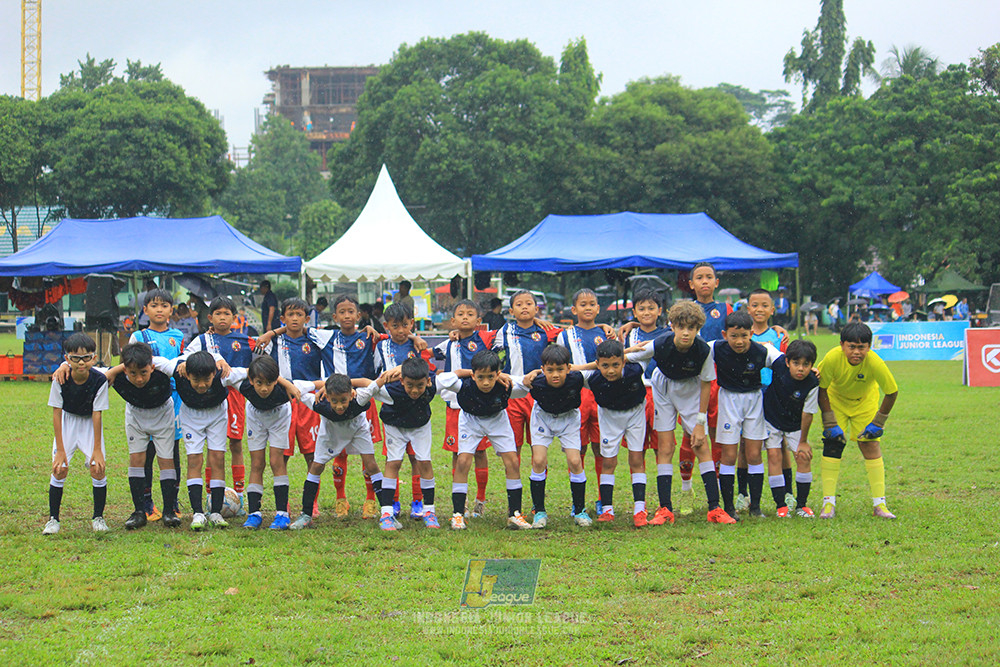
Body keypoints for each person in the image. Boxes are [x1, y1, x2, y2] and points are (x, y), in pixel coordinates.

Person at [625, 300, 732, 525]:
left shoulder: (703, 350)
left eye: (691, 328)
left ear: (698, 328)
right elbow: (620, 358)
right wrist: (621, 350)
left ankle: (715, 508)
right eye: (681, 327)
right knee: (665, 447)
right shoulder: (660, 343)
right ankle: (665, 509)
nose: (686, 332)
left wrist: (700, 422)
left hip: (691, 390)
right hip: (663, 388)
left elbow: (706, 385)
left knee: (701, 445)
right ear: (671, 326)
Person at [436, 349, 532, 530]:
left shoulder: (508, 385)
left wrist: (529, 377)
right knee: (463, 461)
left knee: (512, 461)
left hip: (497, 420)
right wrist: (463, 372)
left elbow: (527, 382)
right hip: (470, 421)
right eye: (480, 377)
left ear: (498, 374)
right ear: (473, 375)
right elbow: (443, 378)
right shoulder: (462, 385)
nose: (486, 382)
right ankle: (457, 514)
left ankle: (515, 514)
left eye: (491, 376)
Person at [817, 322, 899, 520]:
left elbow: (891, 392)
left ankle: (880, 504)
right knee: (833, 445)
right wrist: (829, 422)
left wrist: (878, 422)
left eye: (861, 347)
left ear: (869, 347)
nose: (856, 352)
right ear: (842, 344)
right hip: (836, 401)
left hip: (865, 403)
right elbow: (821, 389)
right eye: (851, 347)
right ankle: (828, 504)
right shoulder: (832, 358)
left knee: (870, 445)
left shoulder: (875, 362)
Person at [155, 350, 245, 529]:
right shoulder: (177, 370)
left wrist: (287, 384)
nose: (202, 385)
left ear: (214, 373)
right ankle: (197, 513)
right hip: (191, 416)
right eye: (196, 380)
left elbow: (253, 371)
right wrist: (181, 360)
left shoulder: (224, 374)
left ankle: (216, 513)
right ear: (187, 374)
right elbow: (151, 360)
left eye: (207, 379)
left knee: (217, 459)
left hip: (217, 415)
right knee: (194, 460)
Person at [708, 310, 781, 519]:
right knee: (729, 455)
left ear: (751, 333)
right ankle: (729, 507)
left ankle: (755, 507)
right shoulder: (715, 348)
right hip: (728, 400)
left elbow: (788, 363)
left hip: (753, 400)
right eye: (734, 336)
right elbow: (691, 349)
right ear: (724, 334)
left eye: (744, 336)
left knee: (754, 454)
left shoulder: (763, 351)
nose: (739, 341)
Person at [289, 374, 384, 530]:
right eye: (334, 401)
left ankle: (387, 513)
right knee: (316, 467)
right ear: (327, 397)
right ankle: (306, 515)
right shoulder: (318, 403)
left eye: (343, 401)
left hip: (357, 430)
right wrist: (320, 386)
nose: (339, 406)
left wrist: (347, 383)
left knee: (371, 465)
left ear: (352, 395)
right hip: (331, 434)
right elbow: (295, 387)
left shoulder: (360, 398)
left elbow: (373, 382)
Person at [573, 340, 651, 527]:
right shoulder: (591, 378)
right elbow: (568, 371)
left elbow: (651, 348)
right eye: (605, 366)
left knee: (636, 459)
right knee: (608, 460)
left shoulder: (636, 369)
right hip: (609, 417)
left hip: (635, 414)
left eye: (616, 365)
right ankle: (607, 509)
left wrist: (629, 351)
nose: (610, 371)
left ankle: (640, 509)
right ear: (598, 364)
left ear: (624, 362)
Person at [258, 298, 325, 517]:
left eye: (299, 315)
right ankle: (283, 503)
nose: (294, 319)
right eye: (290, 315)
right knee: (281, 454)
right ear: (283, 318)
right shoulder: (274, 342)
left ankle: (311, 503)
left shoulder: (315, 339)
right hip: (283, 402)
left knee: (312, 454)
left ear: (307, 319)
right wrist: (273, 333)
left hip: (309, 403)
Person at [182, 296, 253, 503]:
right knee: (214, 448)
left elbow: (264, 353)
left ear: (235, 317)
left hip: (236, 397)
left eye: (227, 314)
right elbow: (185, 358)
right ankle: (210, 495)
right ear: (210, 317)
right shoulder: (203, 340)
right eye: (218, 314)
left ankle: (239, 496)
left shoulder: (244, 340)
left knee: (236, 444)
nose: (223, 318)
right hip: (210, 396)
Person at [105, 342, 182, 529]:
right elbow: (91, 372)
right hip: (136, 415)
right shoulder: (117, 374)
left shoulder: (161, 366)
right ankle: (139, 511)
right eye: (133, 374)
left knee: (166, 460)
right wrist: (64, 367)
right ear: (125, 370)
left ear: (152, 367)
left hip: (163, 413)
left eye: (143, 373)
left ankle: (169, 511)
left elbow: (182, 363)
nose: (139, 379)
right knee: (137, 459)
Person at [237, 355, 319, 530]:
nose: (264, 388)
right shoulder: (243, 384)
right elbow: (222, 372)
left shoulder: (288, 388)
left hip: (279, 417)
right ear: (251, 380)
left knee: (276, 461)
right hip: (255, 417)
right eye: (259, 383)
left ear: (276, 381)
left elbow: (317, 384)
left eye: (269, 383)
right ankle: (254, 514)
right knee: (257, 462)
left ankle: (282, 513)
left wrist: (326, 389)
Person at [555, 288, 618, 513]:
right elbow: (560, 365)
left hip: (603, 395)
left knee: (601, 448)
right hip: (577, 396)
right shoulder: (566, 336)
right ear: (574, 309)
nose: (588, 308)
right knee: (577, 449)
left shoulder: (607, 335)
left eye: (592, 304)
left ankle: (603, 500)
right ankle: (577, 501)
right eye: (583, 304)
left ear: (598, 308)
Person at [515, 345, 592, 528]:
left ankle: (580, 510)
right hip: (543, 418)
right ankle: (539, 511)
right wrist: (530, 374)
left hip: (569, 419)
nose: (555, 374)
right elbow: (510, 380)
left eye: (560, 369)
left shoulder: (577, 378)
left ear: (568, 368)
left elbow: (598, 367)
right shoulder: (535, 381)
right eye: (550, 370)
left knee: (575, 461)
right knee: (539, 460)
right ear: (543, 370)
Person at [361, 357, 441, 530]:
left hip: (420, 425)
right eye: (409, 385)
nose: (414, 390)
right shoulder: (389, 390)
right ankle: (387, 514)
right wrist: (381, 379)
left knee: (424, 462)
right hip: (394, 425)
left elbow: (452, 376)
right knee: (394, 462)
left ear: (427, 381)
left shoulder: (433, 384)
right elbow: (367, 387)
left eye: (420, 385)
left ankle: (429, 511)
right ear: (401, 380)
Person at [434, 300, 497, 517]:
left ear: (478, 321)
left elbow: (509, 330)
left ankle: (481, 498)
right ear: (453, 321)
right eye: (460, 314)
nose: (465, 318)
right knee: (457, 452)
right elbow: (427, 351)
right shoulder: (448, 343)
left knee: (480, 450)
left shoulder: (485, 339)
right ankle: (463, 501)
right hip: (455, 405)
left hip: (480, 404)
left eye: (470, 314)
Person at [43, 333, 110, 535]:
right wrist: (60, 451)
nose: (81, 363)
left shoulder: (99, 380)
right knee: (59, 469)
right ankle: (53, 519)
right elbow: (56, 413)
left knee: (98, 469)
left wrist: (97, 449)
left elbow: (97, 415)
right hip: (67, 422)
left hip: (89, 423)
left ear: (94, 357)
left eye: (86, 357)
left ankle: (98, 517)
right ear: (67, 358)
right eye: (75, 358)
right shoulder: (60, 379)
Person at [130, 288, 184, 521]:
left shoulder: (179, 336)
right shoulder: (138, 337)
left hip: (173, 400)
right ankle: (147, 502)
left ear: (171, 310)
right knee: (147, 453)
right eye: (154, 306)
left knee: (172, 451)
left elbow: (182, 364)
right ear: (145, 310)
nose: (159, 310)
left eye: (164, 306)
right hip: (147, 399)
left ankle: (172, 502)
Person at [490, 290, 561, 463]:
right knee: (513, 447)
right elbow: (490, 354)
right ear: (511, 311)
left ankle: (539, 486)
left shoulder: (546, 331)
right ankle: (514, 488)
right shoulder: (504, 331)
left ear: (536, 309)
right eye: (519, 304)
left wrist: (604, 327)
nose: (524, 307)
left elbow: (575, 331)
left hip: (538, 394)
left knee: (539, 447)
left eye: (528, 304)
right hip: (513, 393)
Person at [735, 289, 789, 511]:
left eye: (764, 305)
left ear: (772, 309)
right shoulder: (743, 336)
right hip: (749, 393)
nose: (759, 309)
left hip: (773, 394)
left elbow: (787, 365)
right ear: (748, 309)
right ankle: (742, 494)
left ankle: (787, 495)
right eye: (755, 305)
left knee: (781, 444)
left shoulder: (779, 337)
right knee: (745, 444)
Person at [374, 302, 427, 519]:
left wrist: (415, 338)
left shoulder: (417, 346)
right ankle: (393, 501)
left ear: (412, 324)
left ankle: (417, 501)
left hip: (416, 406)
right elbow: (376, 373)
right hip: (392, 407)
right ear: (387, 326)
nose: (401, 331)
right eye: (395, 326)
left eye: (405, 325)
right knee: (392, 459)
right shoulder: (381, 347)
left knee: (416, 457)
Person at [763, 339, 819, 518]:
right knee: (773, 455)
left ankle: (802, 506)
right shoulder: (778, 362)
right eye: (796, 363)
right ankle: (781, 506)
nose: (800, 368)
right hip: (771, 418)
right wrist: (763, 341)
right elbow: (766, 348)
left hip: (795, 424)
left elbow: (808, 413)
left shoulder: (812, 383)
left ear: (812, 365)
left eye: (806, 364)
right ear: (787, 362)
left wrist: (803, 442)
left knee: (803, 457)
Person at [620, 289, 669, 465]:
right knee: (636, 446)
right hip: (635, 394)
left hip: (661, 394)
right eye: (641, 309)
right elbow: (614, 359)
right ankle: (638, 487)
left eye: (651, 308)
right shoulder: (627, 335)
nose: (647, 312)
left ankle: (664, 486)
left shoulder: (668, 334)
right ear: (634, 312)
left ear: (660, 310)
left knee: (661, 445)